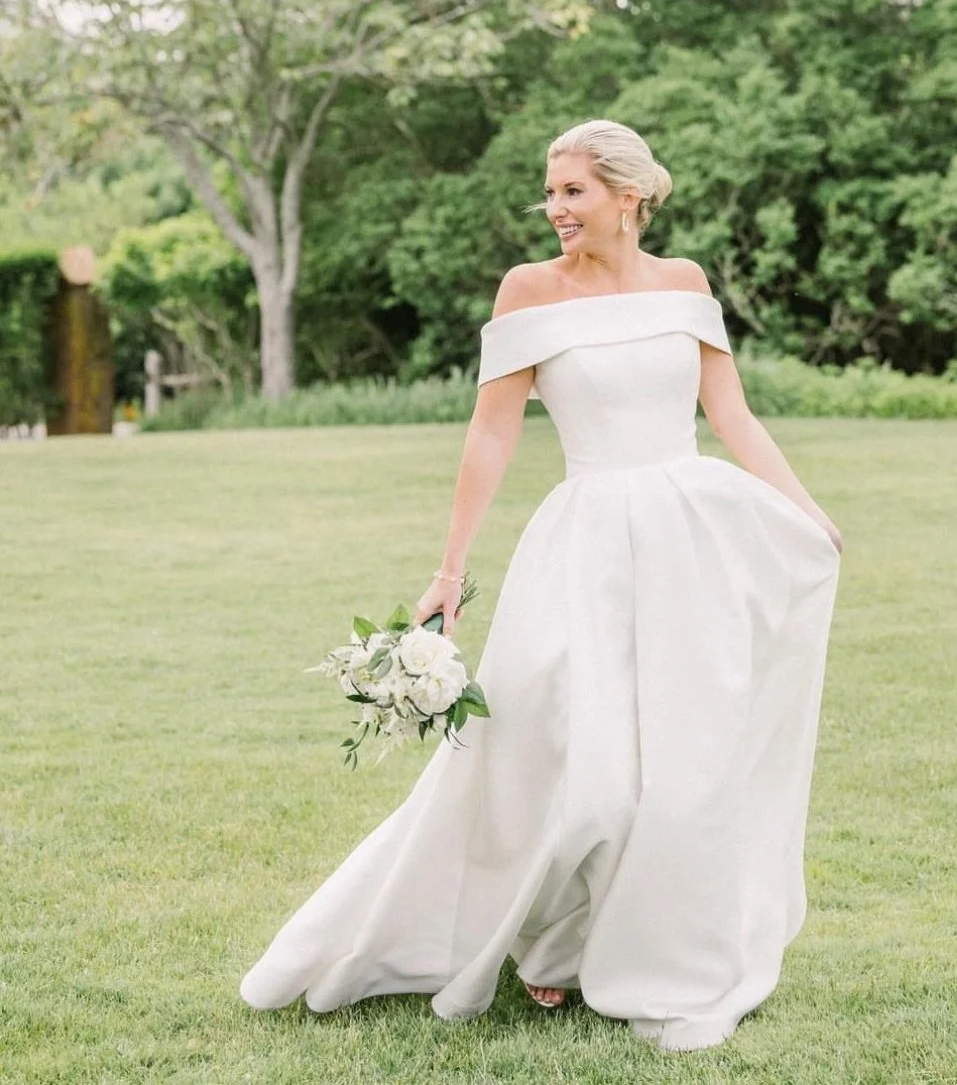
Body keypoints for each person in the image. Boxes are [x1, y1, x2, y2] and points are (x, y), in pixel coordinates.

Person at [240, 119, 842, 1052]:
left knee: (679, 768)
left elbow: (731, 415)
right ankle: (532, 937)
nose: (554, 209)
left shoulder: (684, 285)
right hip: (585, 545)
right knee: (572, 771)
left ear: (629, 195)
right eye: (550, 192)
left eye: (573, 192)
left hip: (688, 542)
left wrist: (807, 511)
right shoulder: (528, 292)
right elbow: (492, 433)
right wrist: (449, 569)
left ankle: (599, 949)